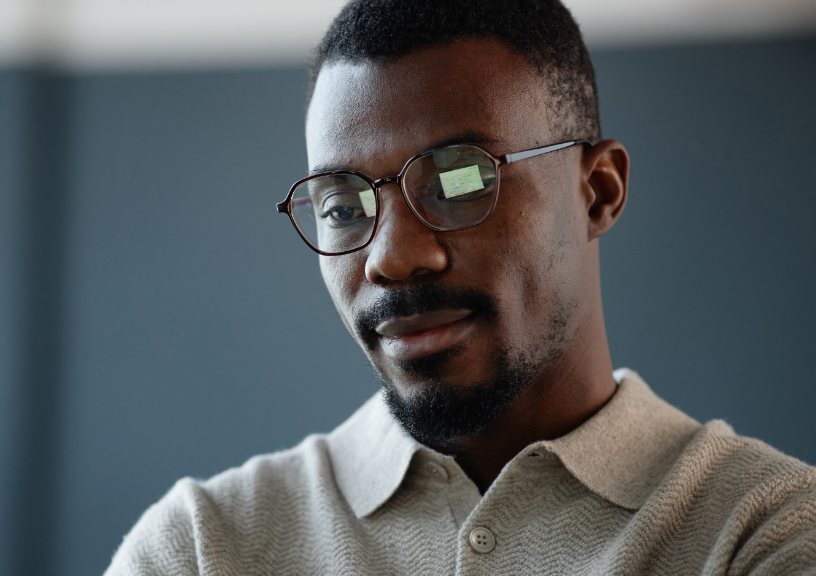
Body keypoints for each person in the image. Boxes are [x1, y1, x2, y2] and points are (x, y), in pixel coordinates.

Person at [105, 0, 816, 573]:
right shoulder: (203, 548)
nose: (393, 258)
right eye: (343, 207)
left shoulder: (762, 533)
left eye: (460, 180)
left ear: (597, 191)